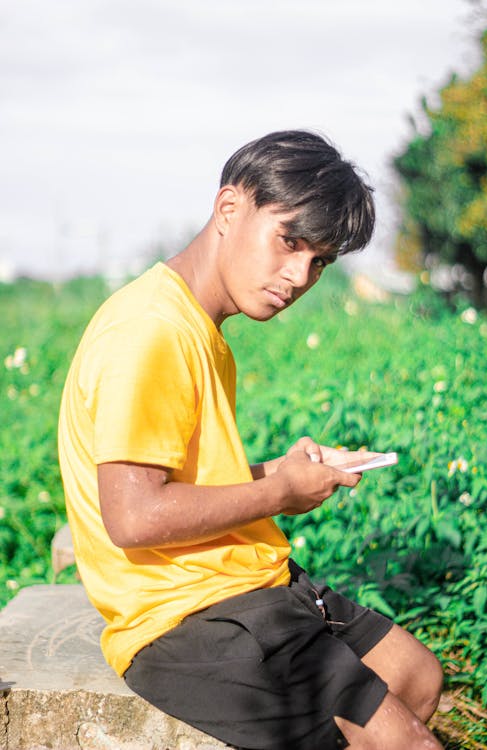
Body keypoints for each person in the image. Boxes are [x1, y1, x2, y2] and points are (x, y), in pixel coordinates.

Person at [58, 130, 443, 749]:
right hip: (183, 618)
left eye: (319, 260)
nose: (298, 276)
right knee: (407, 743)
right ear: (230, 209)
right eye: (289, 241)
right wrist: (282, 493)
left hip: (238, 581)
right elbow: (132, 515)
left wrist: (280, 471)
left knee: (418, 678)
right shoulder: (151, 331)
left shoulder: (196, 324)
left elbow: (180, 485)